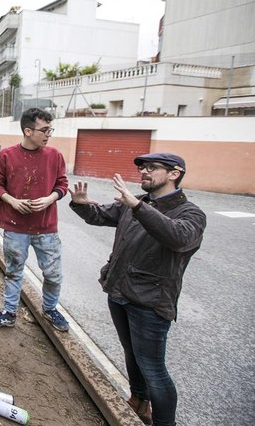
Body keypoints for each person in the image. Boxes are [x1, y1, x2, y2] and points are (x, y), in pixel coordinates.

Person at [68, 153, 205, 426]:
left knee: (154, 369)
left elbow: (176, 237)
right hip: (119, 293)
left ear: (174, 174)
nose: (144, 172)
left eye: (152, 168)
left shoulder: (190, 213)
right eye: (143, 167)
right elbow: (100, 215)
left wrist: (137, 206)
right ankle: (139, 401)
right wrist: (81, 205)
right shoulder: (139, 203)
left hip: (150, 304)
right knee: (132, 354)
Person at [0, 108, 70, 332]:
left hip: (46, 228)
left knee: (53, 273)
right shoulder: (6, 156)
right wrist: (12, 201)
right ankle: (9, 312)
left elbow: (62, 184)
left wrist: (50, 199)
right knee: (14, 271)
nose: (48, 134)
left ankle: (50, 309)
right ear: (28, 131)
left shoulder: (54, 156)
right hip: (15, 227)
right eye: (44, 130)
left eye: (50, 129)